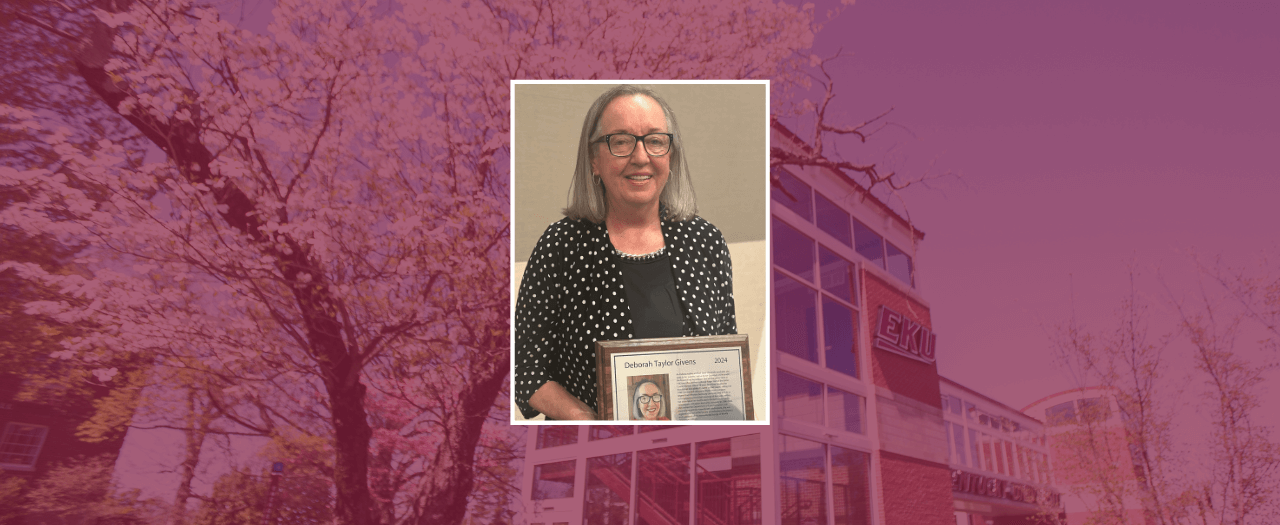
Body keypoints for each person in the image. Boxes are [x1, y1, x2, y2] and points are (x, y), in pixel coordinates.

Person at [514, 85, 737, 420]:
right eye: (620, 141)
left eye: (655, 141)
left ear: (670, 156)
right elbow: (525, 370)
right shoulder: (560, 246)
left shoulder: (706, 242)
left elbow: (726, 360)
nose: (641, 157)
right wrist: (587, 421)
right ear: (594, 160)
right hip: (597, 453)